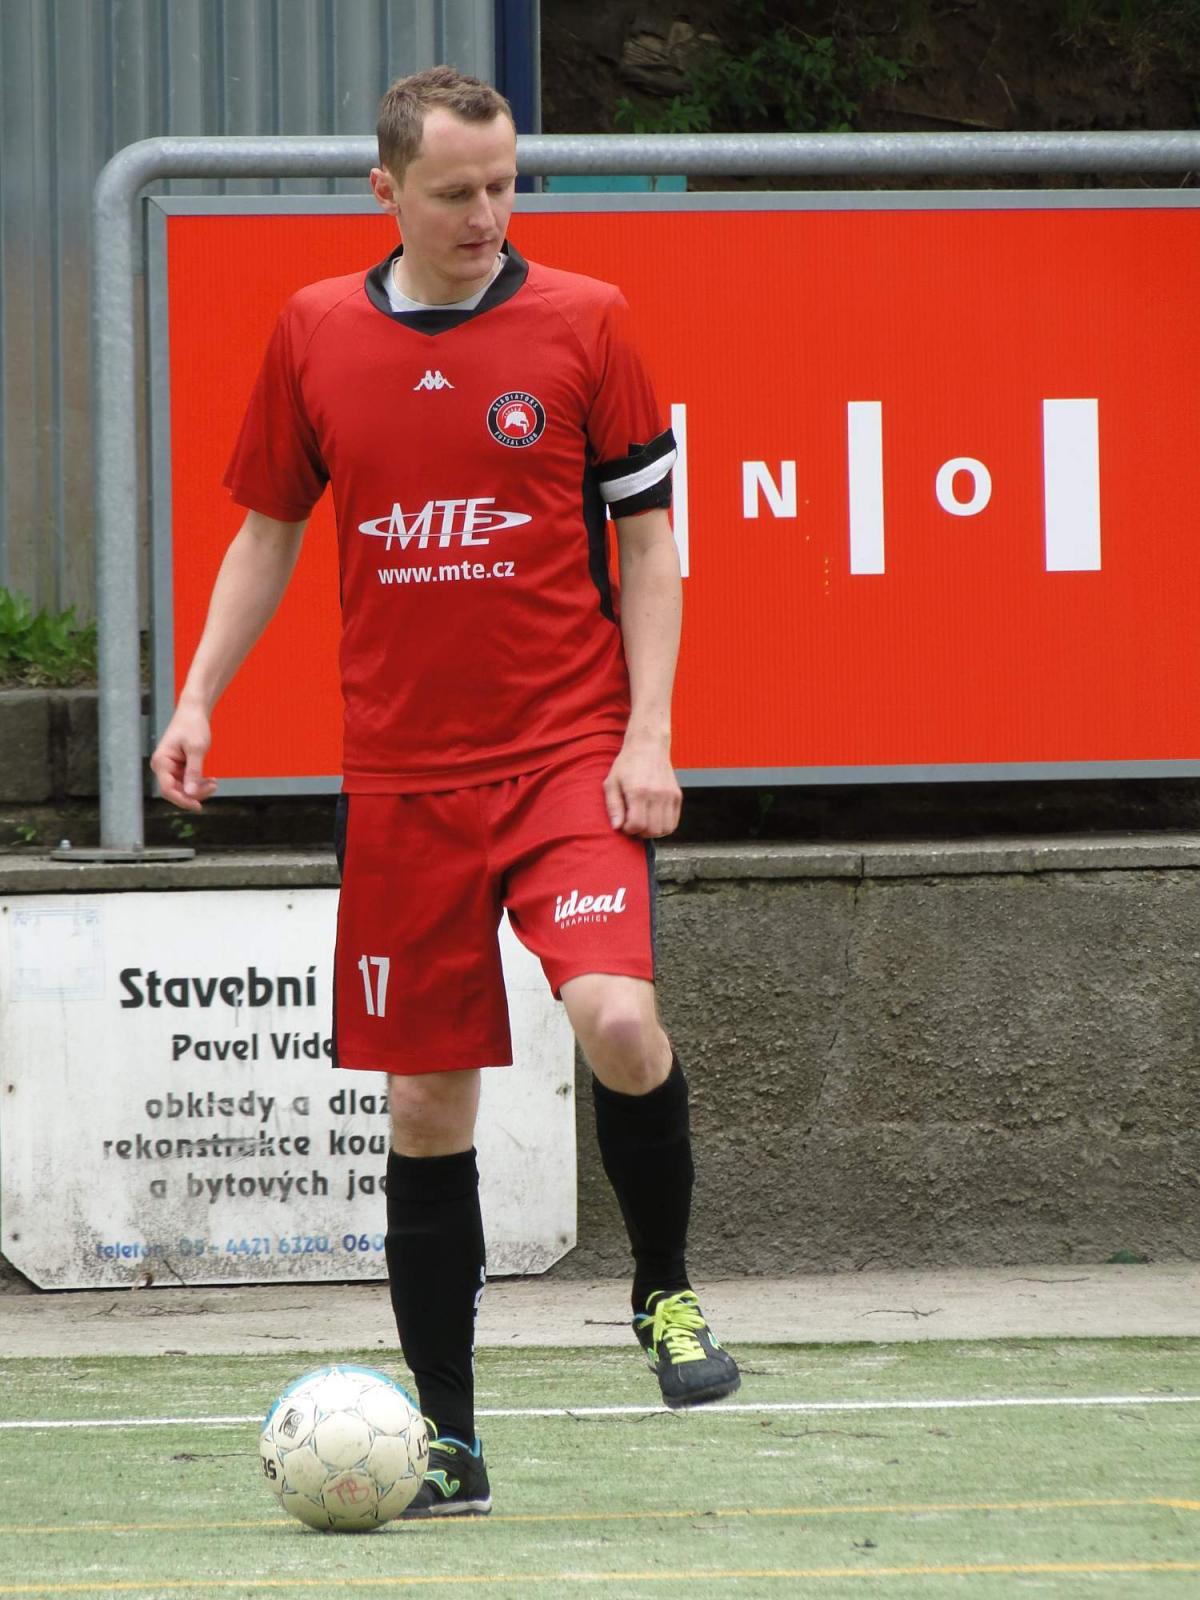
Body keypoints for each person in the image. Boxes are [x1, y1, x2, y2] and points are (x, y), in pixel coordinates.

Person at [150, 64, 739, 1518]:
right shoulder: (314, 330)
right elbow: (268, 529)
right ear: (387, 193)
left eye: (504, 184)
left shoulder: (586, 320)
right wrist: (199, 695)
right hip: (404, 781)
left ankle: (663, 1290)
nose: (488, 213)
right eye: (456, 191)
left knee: (618, 1020)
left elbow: (650, 547)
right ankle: (454, 1443)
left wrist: (648, 734)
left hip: (565, 753)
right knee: (425, 1105)